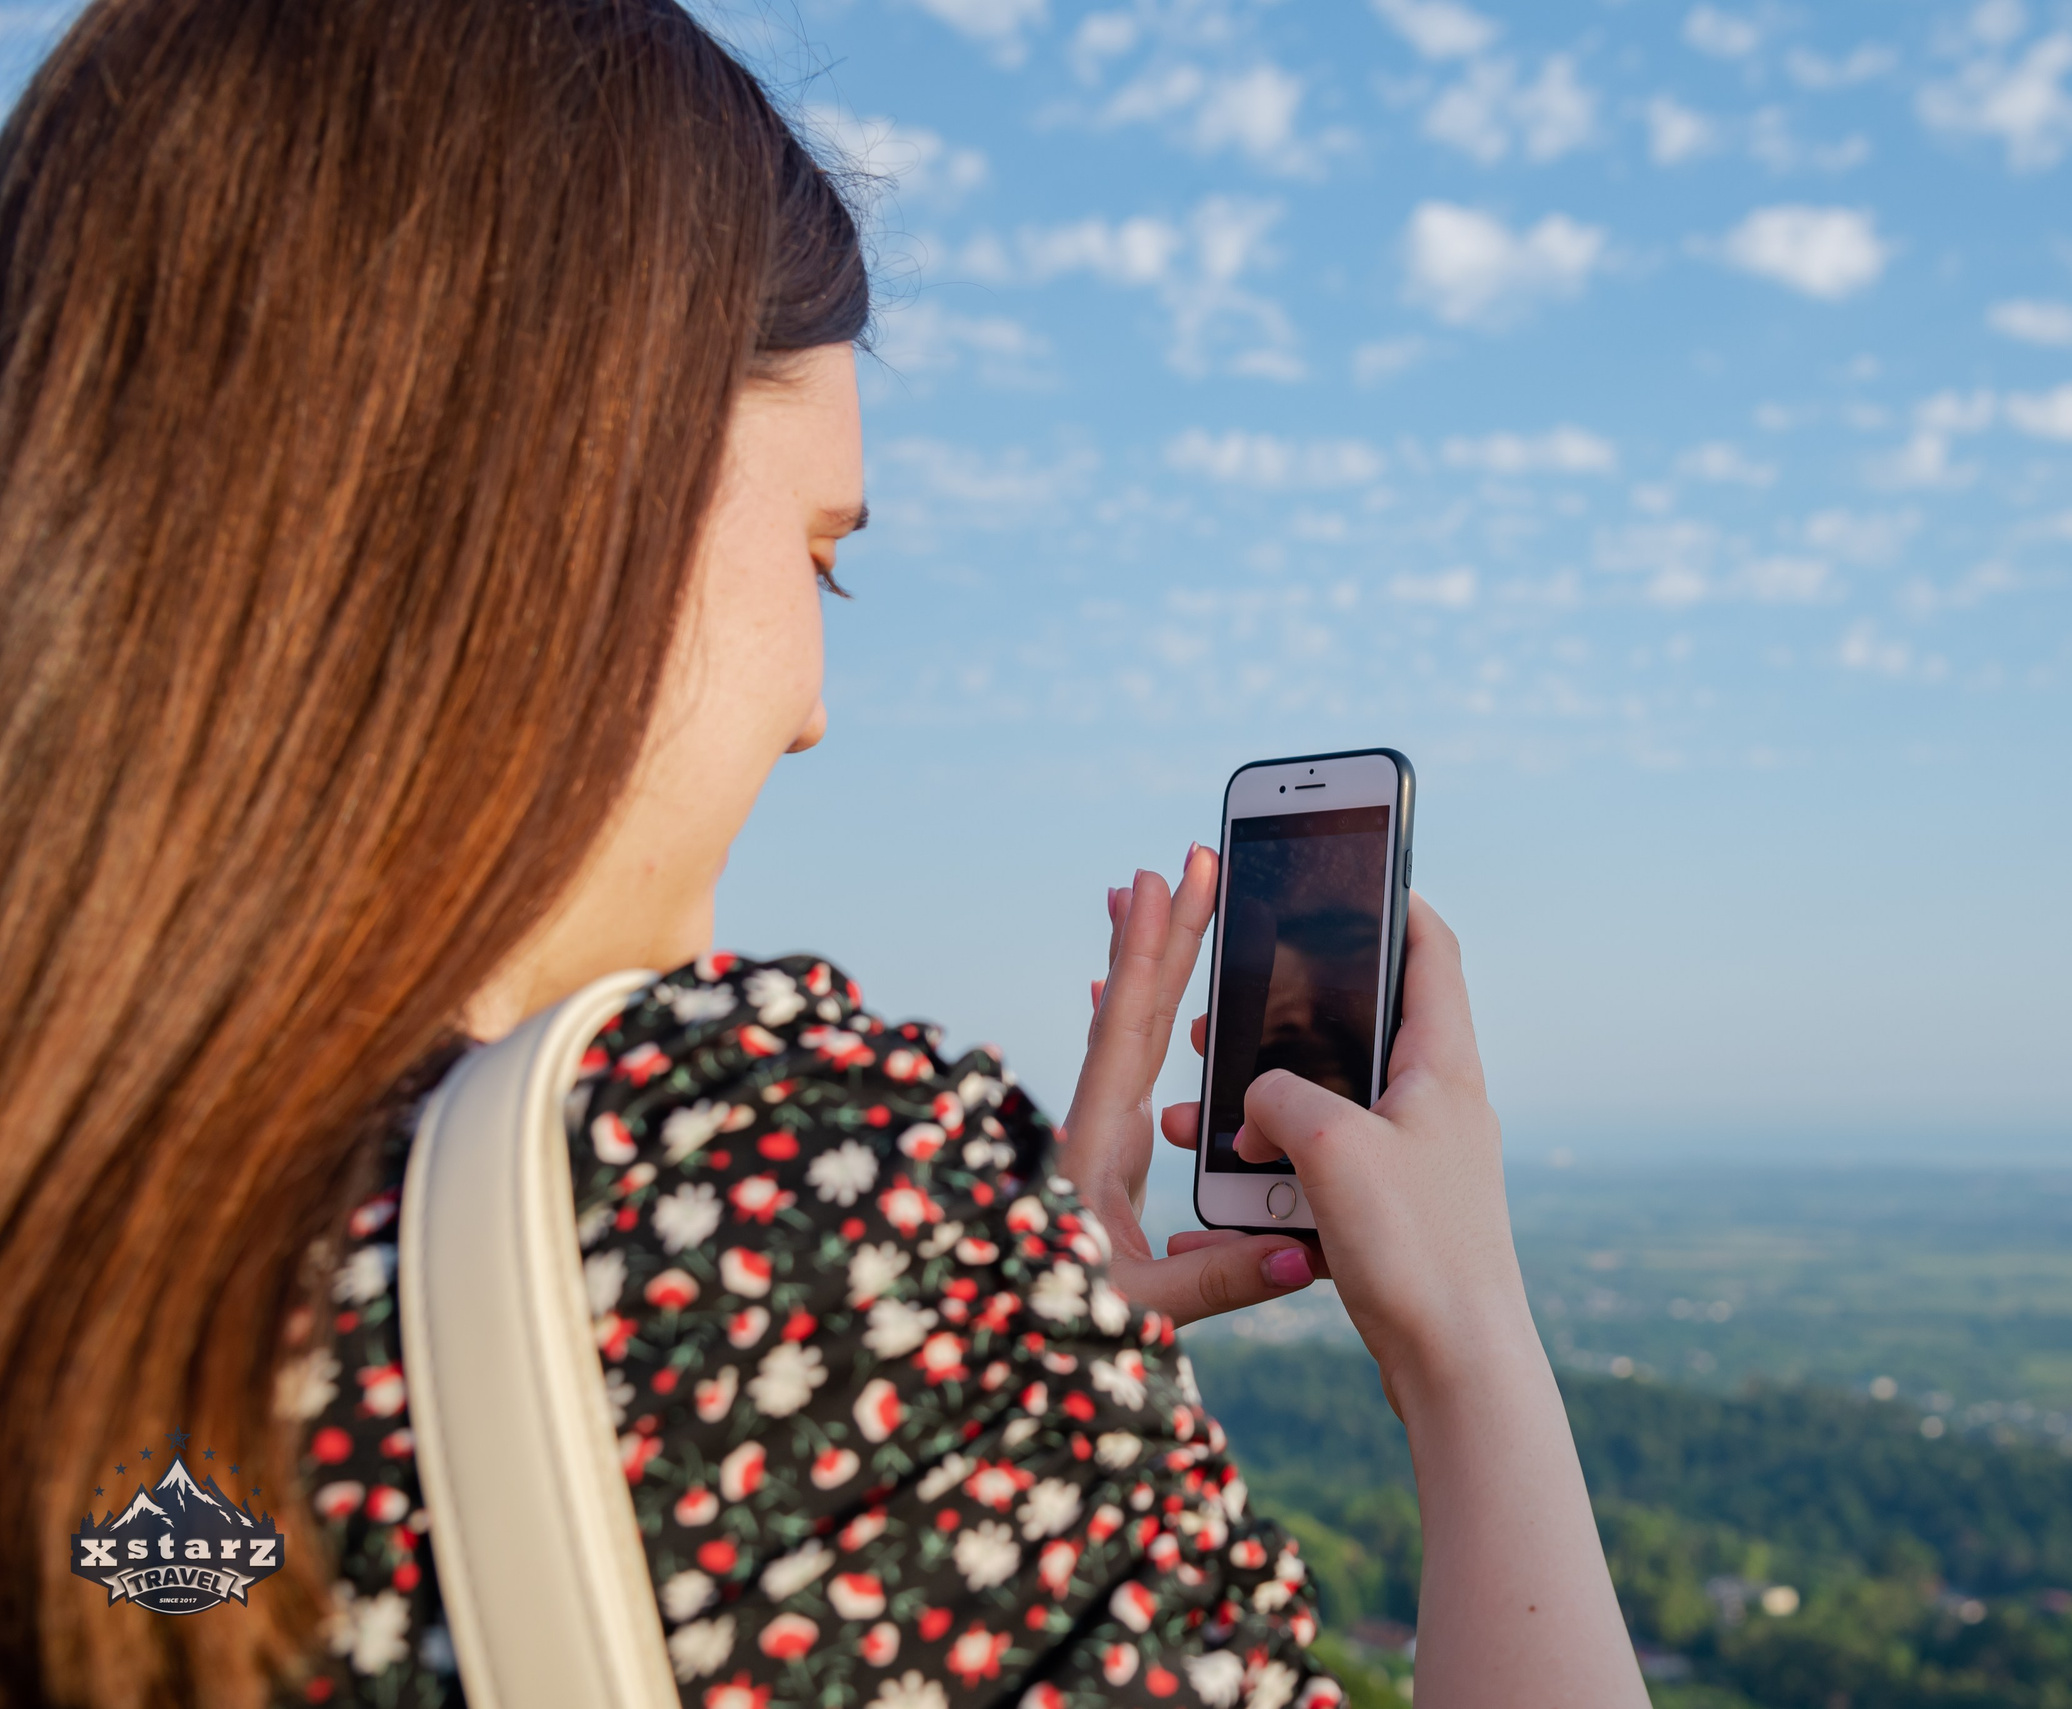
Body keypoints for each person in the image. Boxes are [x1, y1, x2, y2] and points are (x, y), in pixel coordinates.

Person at [0, 1, 1651, 1705]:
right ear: (572, 492)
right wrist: (1469, 1355)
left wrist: (1010, 1362)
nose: (811, 710)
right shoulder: (753, 1198)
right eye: (818, 555)